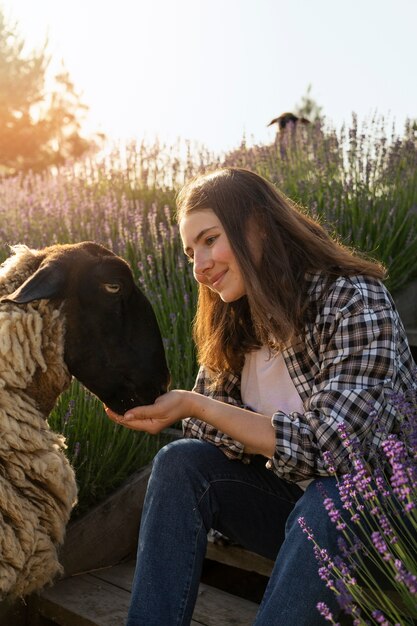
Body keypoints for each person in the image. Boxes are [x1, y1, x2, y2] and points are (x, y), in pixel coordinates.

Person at [105, 167, 416, 626]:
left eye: (210, 240)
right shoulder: (235, 319)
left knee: (331, 497)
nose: (199, 266)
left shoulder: (353, 301)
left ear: (260, 226)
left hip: (386, 524)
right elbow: (210, 437)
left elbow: (332, 449)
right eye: (190, 252)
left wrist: (197, 405)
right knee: (179, 462)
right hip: (296, 518)